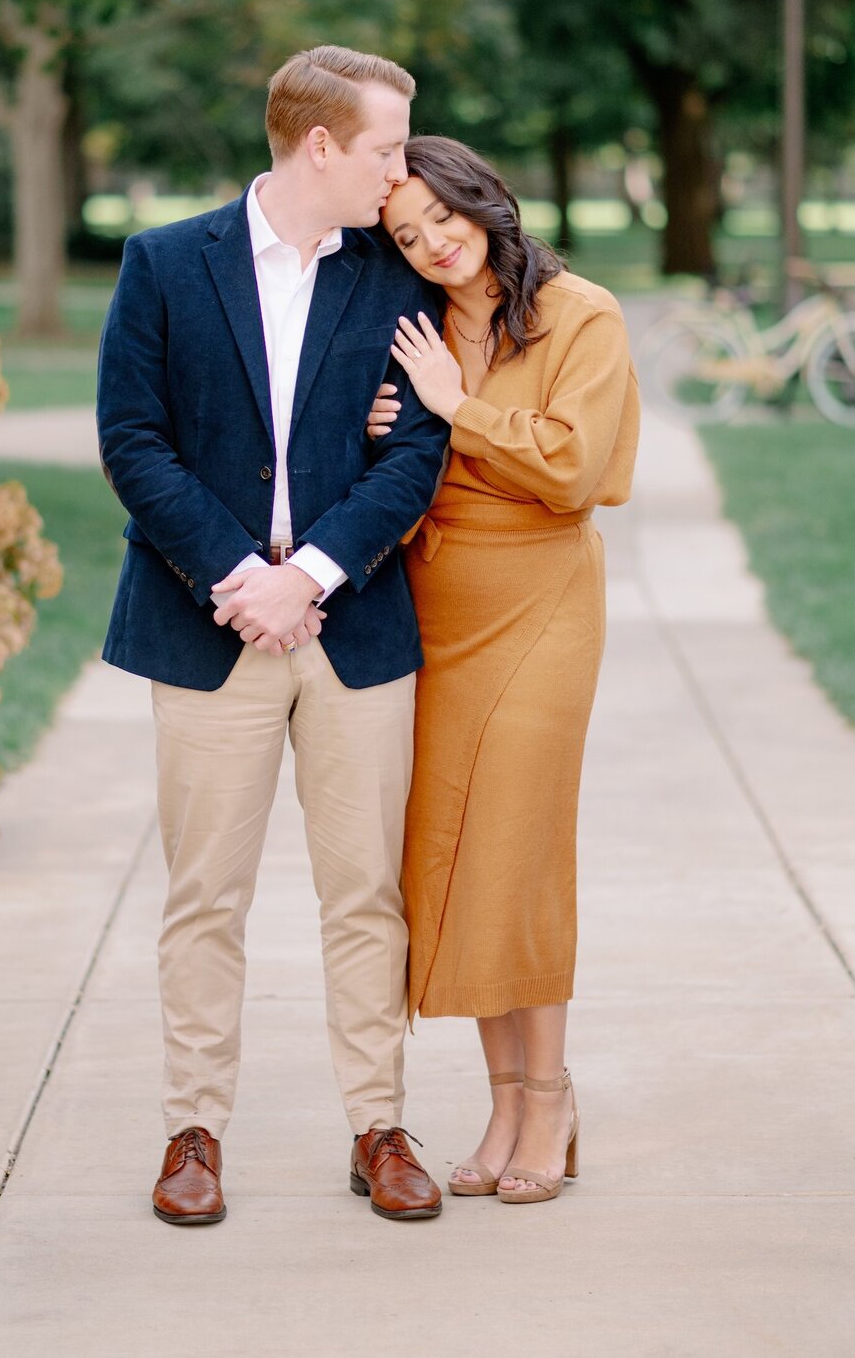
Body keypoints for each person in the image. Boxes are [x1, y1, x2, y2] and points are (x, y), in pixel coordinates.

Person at [96, 47, 452, 1227]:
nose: (400, 174)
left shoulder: (395, 279)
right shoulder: (162, 264)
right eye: (388, 150)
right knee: (206, 895)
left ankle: (379, 1124)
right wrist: (245, 575)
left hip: (353, 630)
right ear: (318, 145)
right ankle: (191, 1130)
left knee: (368, 894)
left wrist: (310, 572)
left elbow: (413, 453)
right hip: (211, 629)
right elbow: (133, 441)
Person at [368, 133, 639, 1205]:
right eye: (406, 232)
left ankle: (554, 1094)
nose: (433, 242)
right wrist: (394, 425)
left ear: (486, 201)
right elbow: (395, 461)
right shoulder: (418, 324)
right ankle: (504, 1102)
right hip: (439, 603)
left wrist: (452, 411)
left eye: (444, 216)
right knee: (459, 854)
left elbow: (571, 470)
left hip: (542, 603)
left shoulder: (583, 314)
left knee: (520, 849)